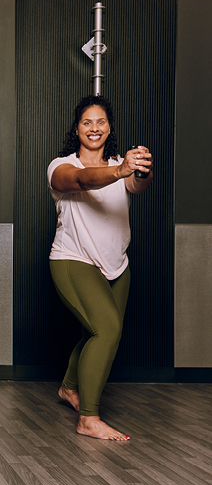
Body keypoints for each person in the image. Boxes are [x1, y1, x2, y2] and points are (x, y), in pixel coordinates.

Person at [48, 95, 152, 441]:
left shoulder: (121, 164)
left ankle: (69, 387)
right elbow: (81, 181)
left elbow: (136, 185)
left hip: (116, 265)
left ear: (110, 127)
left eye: (101, 122)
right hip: (73, 260)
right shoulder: (60, 166)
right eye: (87, 122)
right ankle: (88, 418)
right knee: (106, 330)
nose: (95, 128)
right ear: (76, 129)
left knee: (95, 333)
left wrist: (140, 169)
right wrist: (121, 170)